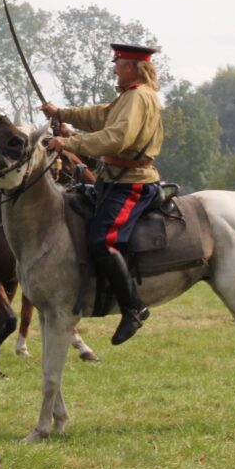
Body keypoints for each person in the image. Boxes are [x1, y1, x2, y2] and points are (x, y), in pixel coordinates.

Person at [41, 43, 164, 345]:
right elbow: (101, 116)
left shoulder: (138, 97)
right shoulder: (128, 96)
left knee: (103, 240)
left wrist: (70, 144)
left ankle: (133, 307)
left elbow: (117, 137)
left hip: (132, 183)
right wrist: (62, 113)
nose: (114, 69)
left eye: (118, 64)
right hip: (114, 180)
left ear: (133, 68)